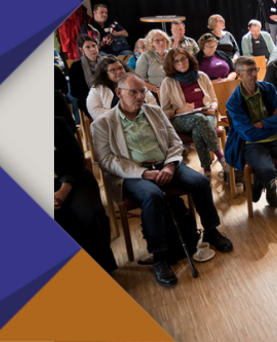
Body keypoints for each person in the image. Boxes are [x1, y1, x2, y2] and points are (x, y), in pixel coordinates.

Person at [92, 72, 233, 287]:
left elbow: (175, 142)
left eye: (143, 91)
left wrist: (169, 164)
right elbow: (106, 160)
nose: (140, 96)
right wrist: (143, 173)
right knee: (152, 195)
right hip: (133, 172)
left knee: (200, 182)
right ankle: (160, 256)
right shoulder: (103, 123)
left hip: (166, 164)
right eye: (134, 92)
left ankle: (211, 231)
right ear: (119, 92)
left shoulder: (154, 111)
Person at [225, 57, 277, 207]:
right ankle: (271, 189)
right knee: (268, 171)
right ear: (239, 74)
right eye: (249, 71)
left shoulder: (267, 88)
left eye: (255, 69)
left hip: (275, 139)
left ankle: (260, 182)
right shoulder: (234, 101)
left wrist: (262, 124)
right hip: (251, 144)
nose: (254, 74)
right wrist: (274, 124)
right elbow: (249, 134)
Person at [54, 116, 117, 274]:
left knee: (92, 214)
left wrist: (65, 186)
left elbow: (75, 158)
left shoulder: (57, 123)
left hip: (71, 179)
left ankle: (103, 268)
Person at [160, 48, 230, 177]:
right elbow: (163, 111)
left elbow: (214, 99)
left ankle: (207, 170)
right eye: (176, 61)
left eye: (183, 59)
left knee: (199, 125)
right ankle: (222, 158)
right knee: (199, 119)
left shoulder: (202, 76)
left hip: (206, 115)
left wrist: (213, 108)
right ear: (171, 64)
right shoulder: (167, 82)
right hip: (180, 119)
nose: (181, 63)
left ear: (189, 59)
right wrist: (180, 110)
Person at [87, 55, 157, 120]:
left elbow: (152, 103)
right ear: (105, 73)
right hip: (114, 124)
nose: (119, 72)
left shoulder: (136, 82)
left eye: (120, 68)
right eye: (113, 70)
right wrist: (121, 114)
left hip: (143, 120)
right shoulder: (97, 89)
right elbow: (94, 110)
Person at [70, 35, 101, 116]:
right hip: (87, 100)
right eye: (88, 47)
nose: (92, 49)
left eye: (94, 45)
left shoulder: (106, 63)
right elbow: (74, 92)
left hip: (107, 98)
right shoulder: (76, 67)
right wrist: (94, 97)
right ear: (81, 50)